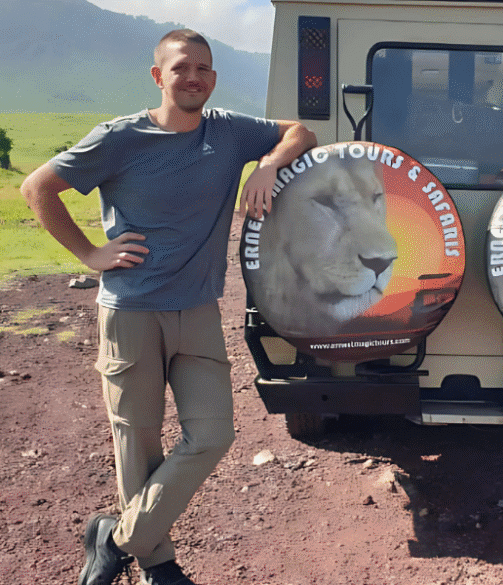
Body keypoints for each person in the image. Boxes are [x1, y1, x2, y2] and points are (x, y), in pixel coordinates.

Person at [20, 29, 316, 585]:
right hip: (131, 311)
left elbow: (302, 129)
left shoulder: (228, 132)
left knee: (214, 435)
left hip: (198, 311)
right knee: (138, 441)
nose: (194, 77)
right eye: (182, 68)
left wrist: (269, 164)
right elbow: (38, 188)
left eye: (204, 68)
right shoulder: (119, 138)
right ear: (159, 76)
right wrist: (89, 252)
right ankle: (159, 566)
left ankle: (118, 537)